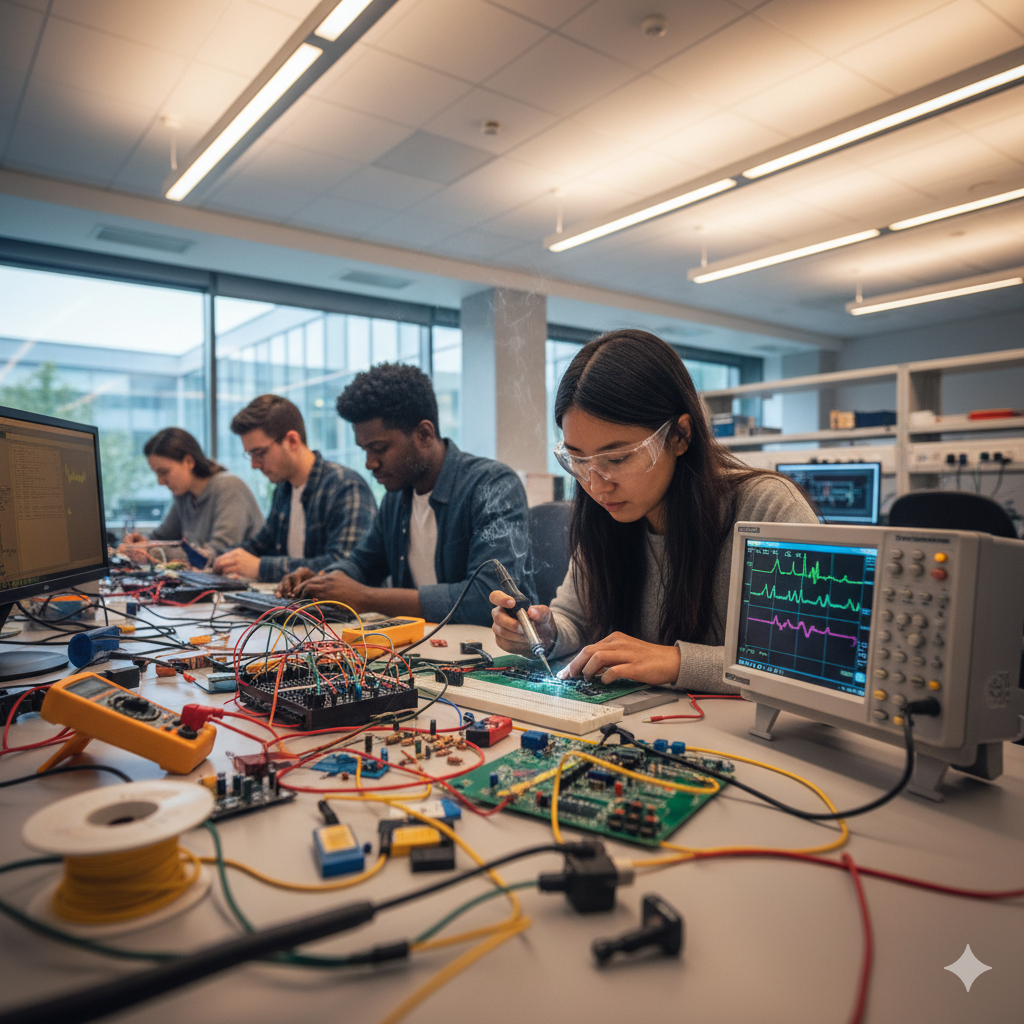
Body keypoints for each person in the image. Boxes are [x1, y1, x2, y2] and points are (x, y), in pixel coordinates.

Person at [489, 330, 819, 691]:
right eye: (579, 459)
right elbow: (574, 619)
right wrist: (546, 633)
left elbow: (811, 657)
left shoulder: (767, 507)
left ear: (680, 436)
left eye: (617, 458)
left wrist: (677, 662)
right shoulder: (606, 511)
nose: (597, 485)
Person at [278, 362, 534, 626]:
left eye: (378, 448)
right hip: (422, 651)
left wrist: (366, 598)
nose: (370, 463)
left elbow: (487, 598)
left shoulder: (493, 485)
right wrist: (323, 580)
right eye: (365, 450)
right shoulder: (397, 497)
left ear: (423, 434)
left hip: (493, 657)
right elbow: (364, 563)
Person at [212, 394, 375, 582]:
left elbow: (344, 565)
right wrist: (215, 558)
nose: (254, 465)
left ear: (292, 441)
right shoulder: (284, 489)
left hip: (333, 610)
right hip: (298, 605)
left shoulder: (345, 486)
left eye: (259, 453)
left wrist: (260, 567)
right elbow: (259, 546)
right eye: (250, 455)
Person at [122, 428, 263, 560]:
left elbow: (219, 551)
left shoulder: (229, 487)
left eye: (164, 472)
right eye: (157, 474)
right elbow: (162, 536)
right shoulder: (184, 495)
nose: (160, 482)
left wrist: (148, 551)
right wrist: (143, 543)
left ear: (189, 461)